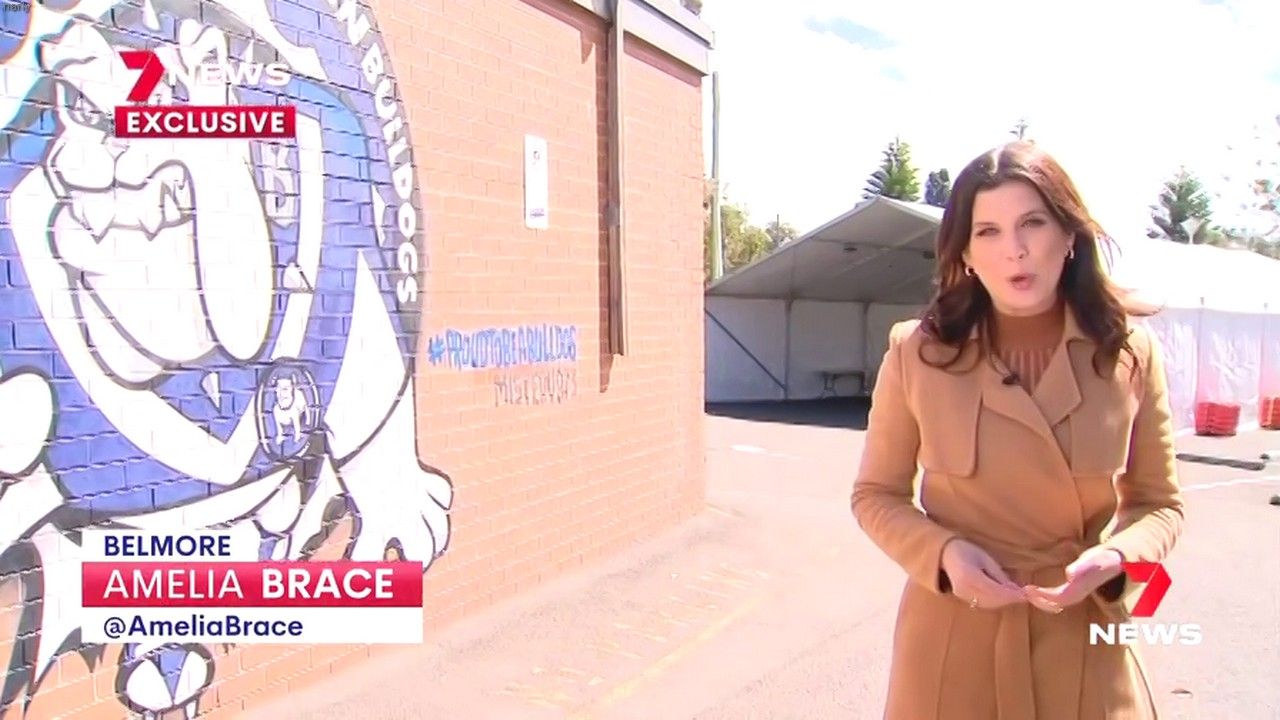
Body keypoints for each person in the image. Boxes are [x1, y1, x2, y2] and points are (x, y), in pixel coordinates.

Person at [850, 140, 1184, 720]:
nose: (1016, 249)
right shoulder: (916, 352)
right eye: (989, 231)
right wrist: (944, 555)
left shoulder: (1129, 352)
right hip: (952, 638)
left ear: (1069, 235)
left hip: (1084, 634)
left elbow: (1160, 505)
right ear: (965, 253)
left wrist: (1117, 560)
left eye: (1033, 223)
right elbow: (876, 495)